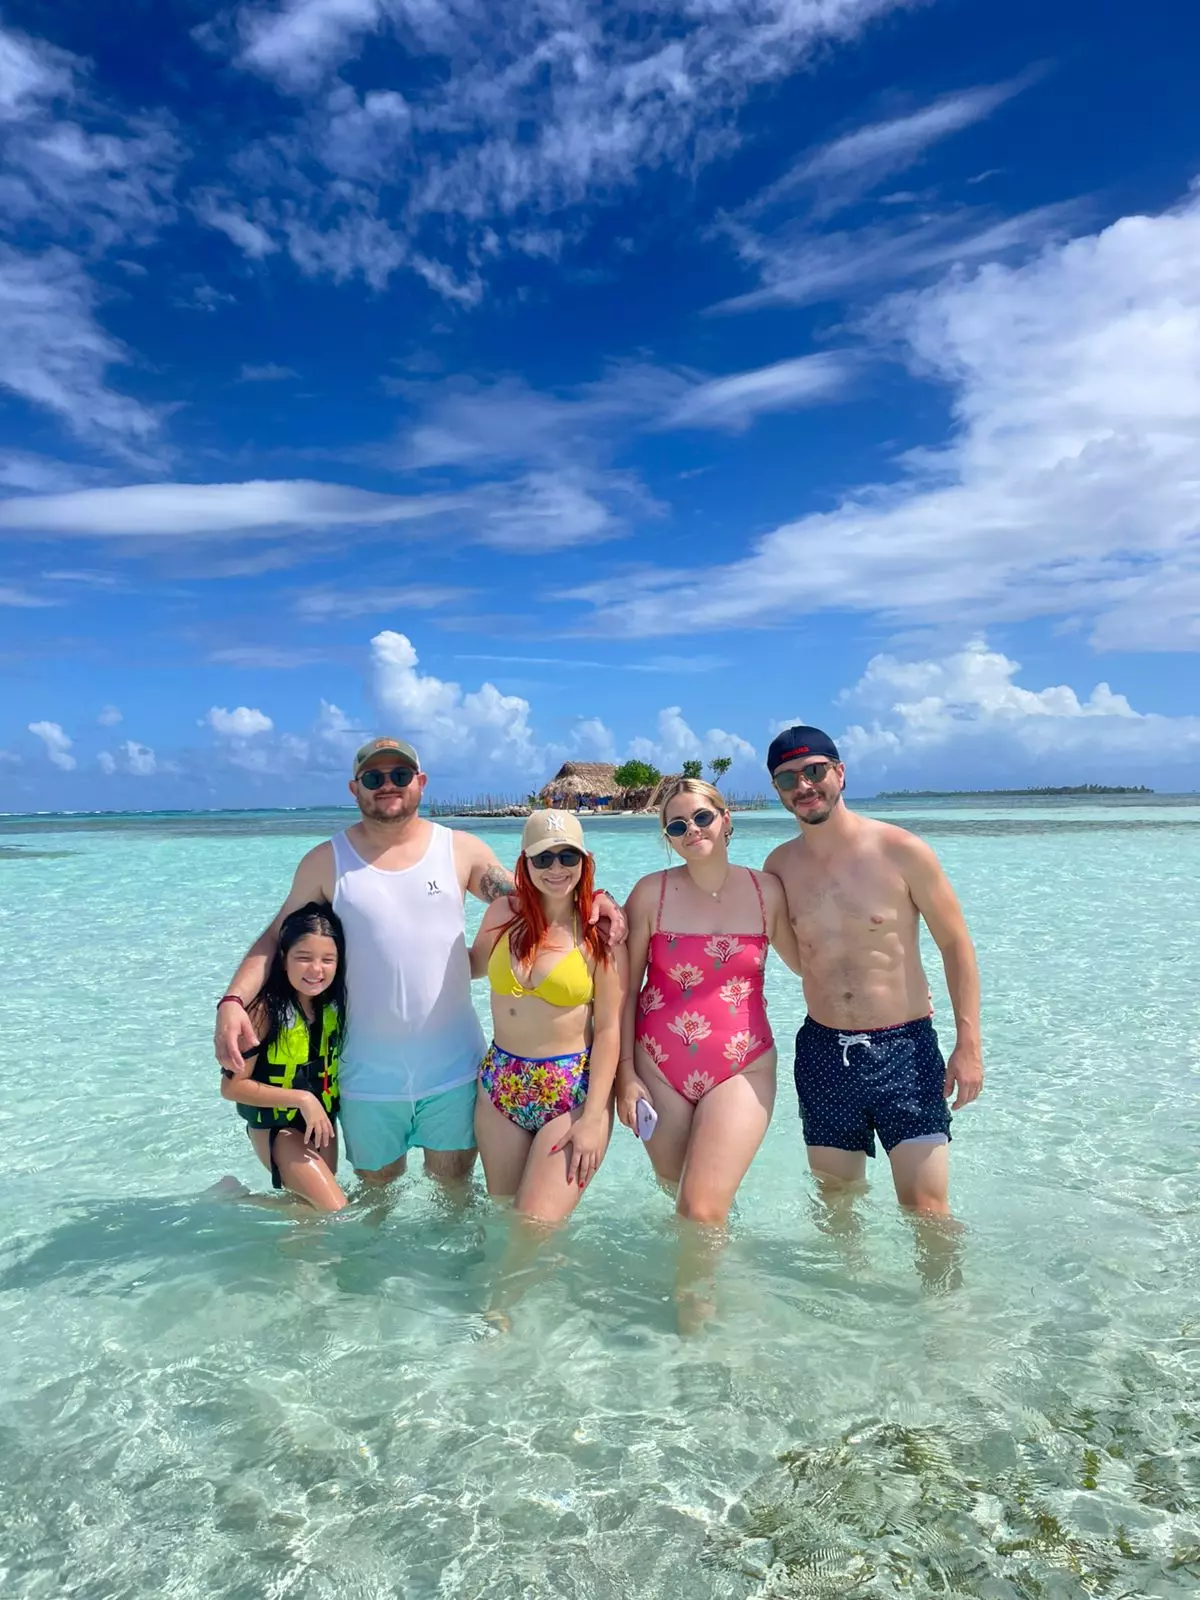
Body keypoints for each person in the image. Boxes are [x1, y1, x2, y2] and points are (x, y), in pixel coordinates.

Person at [215, 738, 624, 1190]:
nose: (388, 785)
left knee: (456, 1192)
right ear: (355, 789)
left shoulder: (459, 850)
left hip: (453, 1069)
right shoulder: (325, 862)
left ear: (421, 783)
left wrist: (598, 899)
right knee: (376, 1195)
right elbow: (277, 935)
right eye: (374, 778)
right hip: (365, 1072)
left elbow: (543, 890)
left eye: (400, 775)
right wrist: (233, 1001)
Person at [762, 725, 984, 1220]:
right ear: (777, 790)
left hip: (905, 1049)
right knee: (837, 1203)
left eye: (815, 770)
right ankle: (845, 1297)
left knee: (927, 1208)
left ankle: (945, 1301)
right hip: (823, 1051)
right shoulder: (778, 867)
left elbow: (955, 944)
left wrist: (968, 1044)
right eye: (787, 779)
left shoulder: (901, 850)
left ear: (840, 773)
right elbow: (796, 954)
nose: (804, 785)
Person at [616, 779, 802, 1226]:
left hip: (743, 1063)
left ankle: (703, 1297)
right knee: (680, 1194)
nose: (692, 831)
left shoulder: (766, 892)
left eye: (702, 817)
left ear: (726, 819)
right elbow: (621, 989)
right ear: (668, 838)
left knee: (699, 1209)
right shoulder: (650, 894)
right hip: (657, 1066)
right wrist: (624, 1074)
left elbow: (808, 965)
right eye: (677, 826)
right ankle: (704, 1283)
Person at [469, 810, 626, 1220]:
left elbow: (609, 1029)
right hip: (500, 1082)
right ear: (525, 863)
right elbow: (471, 966)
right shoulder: (502, 914)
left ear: (584, 862)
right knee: (504, 1217)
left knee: (536, 1225)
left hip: (569, 1091)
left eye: (567, 857)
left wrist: (594, 1117)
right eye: (543, 859)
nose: (556, 868)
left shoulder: (600, 932)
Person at [219, 901, 347, 1212]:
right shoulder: (264, 1011)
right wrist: (303, 1099)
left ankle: (236, 1200)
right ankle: (237, 1201)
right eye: (303, 958)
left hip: (319, 1124)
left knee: (310, 1213)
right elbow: (231, 1087)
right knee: (335, 1211)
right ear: (283, 959)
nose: (316, 970)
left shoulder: (332, 1005)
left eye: (327, 960)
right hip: (277, 1127)